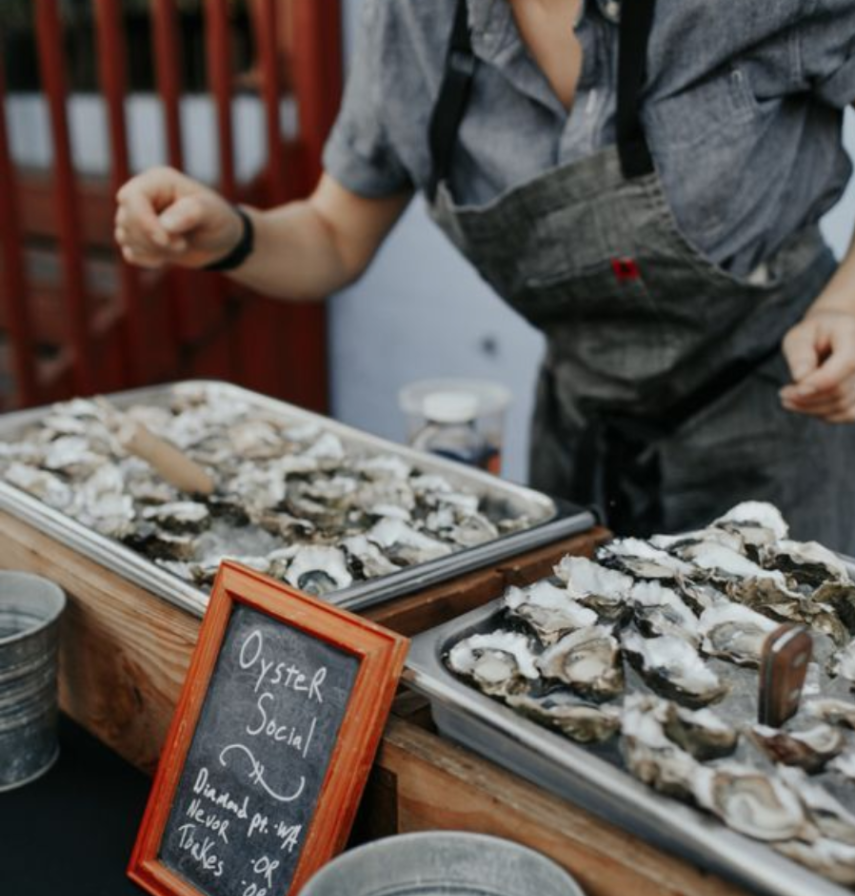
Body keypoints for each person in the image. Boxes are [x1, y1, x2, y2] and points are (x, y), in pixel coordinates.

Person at [115, 0, 855, 550]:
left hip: (785, 411)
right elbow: (334, 237)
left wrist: (846, 308)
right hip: (576, 433)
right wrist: (227, 235)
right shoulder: (415, 19)